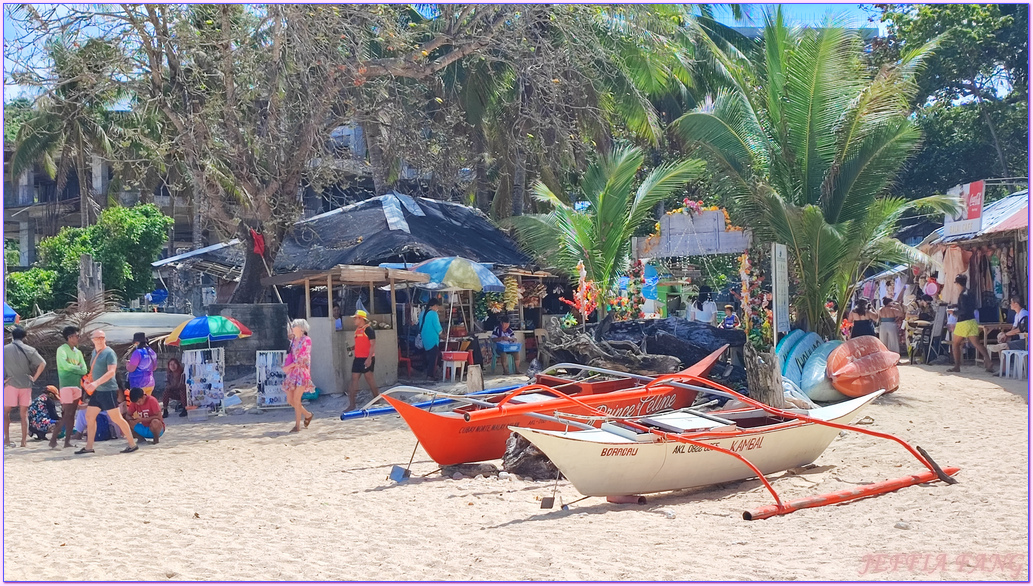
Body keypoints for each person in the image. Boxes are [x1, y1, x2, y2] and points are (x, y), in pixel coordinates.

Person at [77, 329, 138, 454]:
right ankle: (89, 447)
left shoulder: (109, 353)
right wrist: (90, 382)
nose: (100, 340)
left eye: (102, 337)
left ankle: (132, 444)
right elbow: (94, 370)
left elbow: (111, 372)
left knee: (117, 418)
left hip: (107, 390)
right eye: (97, 338)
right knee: (89, 416)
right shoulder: (95, 352)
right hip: (97, 391)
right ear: (92, 340)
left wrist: (95, 383)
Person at [4, 326, 46, 448]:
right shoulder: (30, 349)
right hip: (26, 384)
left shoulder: (4, 349)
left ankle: (7, 439)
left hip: (10, 383)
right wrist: (34, 378)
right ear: (24, 337)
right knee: (24, 414)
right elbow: (42, 363)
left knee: (6, 413)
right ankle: (24, 442)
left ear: (12, 336)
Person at [948, 274, 992, 373]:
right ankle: (988, 362)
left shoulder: (962, 295)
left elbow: (963, 310)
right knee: (977, 344)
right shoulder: (970, 293)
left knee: (955, 344)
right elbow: (970, 307)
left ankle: (957, 366)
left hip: (963, 322)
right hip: (972, 321)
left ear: (958, 283)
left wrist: (953, 312)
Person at [53, 326, 88, 449]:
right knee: (67, 413)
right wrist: (77, 368)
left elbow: (84, 369)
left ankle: (67, 441)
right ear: (70, 337)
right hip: (66, 385)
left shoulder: (78, 352)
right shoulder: (61, 350)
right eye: (76, 336)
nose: (78, 338)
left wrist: (76, 368)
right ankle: (54, 438)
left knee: (72, 413)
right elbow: (65, 366)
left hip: (76, 385)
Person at [283, 319, 314, 433]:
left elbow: (303, 358)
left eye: (295, 325)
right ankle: (307, 414)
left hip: (301, 372)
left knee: (296, 399)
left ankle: (297, 426)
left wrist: (290, 365)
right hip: (292, 373)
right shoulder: (293, 341)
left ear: (301, 328)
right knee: (290, 399)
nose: (292, 327)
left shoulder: (307, 340)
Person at [345, 310, 378, 412]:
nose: (354, 320)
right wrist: (352, 348)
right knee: (354, 379)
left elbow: (372, 345)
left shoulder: (369, 330)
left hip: (366, 358)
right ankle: (352, 404)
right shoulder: (357, 330)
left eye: (356, 318)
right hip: (358, 358)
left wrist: (369, 359)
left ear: (361, 319)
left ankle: (377, 400)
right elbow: (360, 343)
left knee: (370, 379)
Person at [419, 299, 443, 380]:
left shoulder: (422, 313)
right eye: (437, 306)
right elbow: (437, 327)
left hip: (425, 338)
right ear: (433, 306)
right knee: (433, 358)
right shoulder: (433, 314)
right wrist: (442, 334)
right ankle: (430, 375)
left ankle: (426, 373)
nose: (437, 308)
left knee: (427, 357)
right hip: (433, 338)